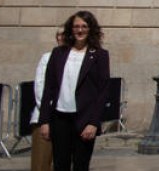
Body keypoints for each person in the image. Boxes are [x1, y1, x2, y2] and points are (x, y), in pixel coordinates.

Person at [37, 11, 111, 171]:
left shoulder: (100, 55)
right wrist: (44, 121)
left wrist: (93, 123)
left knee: (81, 164)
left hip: (84, 119)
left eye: (84, 26)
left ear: (91, 29)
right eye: (76, 26)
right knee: (60, 164)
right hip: (60, 118)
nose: (80, 30)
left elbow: (103, 92)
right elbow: (48, 88)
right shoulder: (58, 53)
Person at [29, 27, 64, 171]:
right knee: (41, 163)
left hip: (67, 120)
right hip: (46, 118)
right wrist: (49, 115)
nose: (62, 38)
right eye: (60, 35)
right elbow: (41, 88)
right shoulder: (47, 57)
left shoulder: (79, 58)